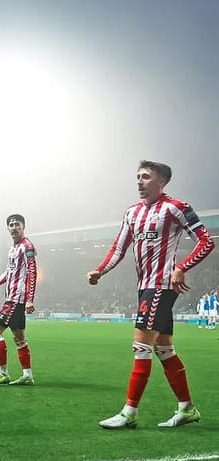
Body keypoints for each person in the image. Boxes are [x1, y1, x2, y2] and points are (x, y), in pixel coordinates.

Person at [88, 160, 214, 430]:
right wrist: (100, 270)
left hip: (160, 287)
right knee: (164, 350)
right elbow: (119, 248)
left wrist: (181, 267)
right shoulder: (132, 213)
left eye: (146, 177)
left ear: (162, 181)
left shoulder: (176, 208)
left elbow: (206, 241)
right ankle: (187, 409)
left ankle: (129, 412)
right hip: (144, 287)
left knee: (140, 347)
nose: (139, 182)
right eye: (137, 177)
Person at [0, 214, 37, 386]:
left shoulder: (27, 247)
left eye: (17, 224)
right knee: (19, 338)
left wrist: (29, 300)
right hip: (11, 298)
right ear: (8, 229)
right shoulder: (12, 249)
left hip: (16, 299)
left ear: (23, 226)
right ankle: (27, 375)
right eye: (10, 225)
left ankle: (2, 373)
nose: (13, 227)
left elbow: (32, 272)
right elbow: (8, 273)